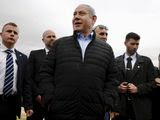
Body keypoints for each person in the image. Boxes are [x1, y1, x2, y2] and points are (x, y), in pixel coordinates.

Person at [38, 4, 119, 120]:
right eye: (74, 14)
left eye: (81, 13)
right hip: (59, 113)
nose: (76, 17)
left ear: (93, 19)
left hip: (94, 113)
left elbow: (112, 79)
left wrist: (106, 102)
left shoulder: (106, 49)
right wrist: (50, 99)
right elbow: (45, 73)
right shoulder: (60, 44)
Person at [115, 32, 156, 120]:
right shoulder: (115, 61)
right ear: (125, 43)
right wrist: (118, 88)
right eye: (132, 44)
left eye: (137, 44)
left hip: (141, 110)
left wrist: (138, 89)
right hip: (121, 109)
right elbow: (110, 82)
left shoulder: (146, 62)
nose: (135, 47)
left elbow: (153, 84)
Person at [23, 30, 56, 120]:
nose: (52, 38)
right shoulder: (35, 54)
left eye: (54, 36)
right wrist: (37, 95)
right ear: (43, 40)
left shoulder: (61, 56)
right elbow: (29, 78)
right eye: (49, 37)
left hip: (54, 102)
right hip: (36, 102)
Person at [0, 22, 27, 120]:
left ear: (17, 38)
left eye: (15, 33)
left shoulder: (23, 58)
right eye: (9, 31)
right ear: (1, 34)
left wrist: (28, 105)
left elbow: (25, 83)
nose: (12, 34)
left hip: (12, 104)